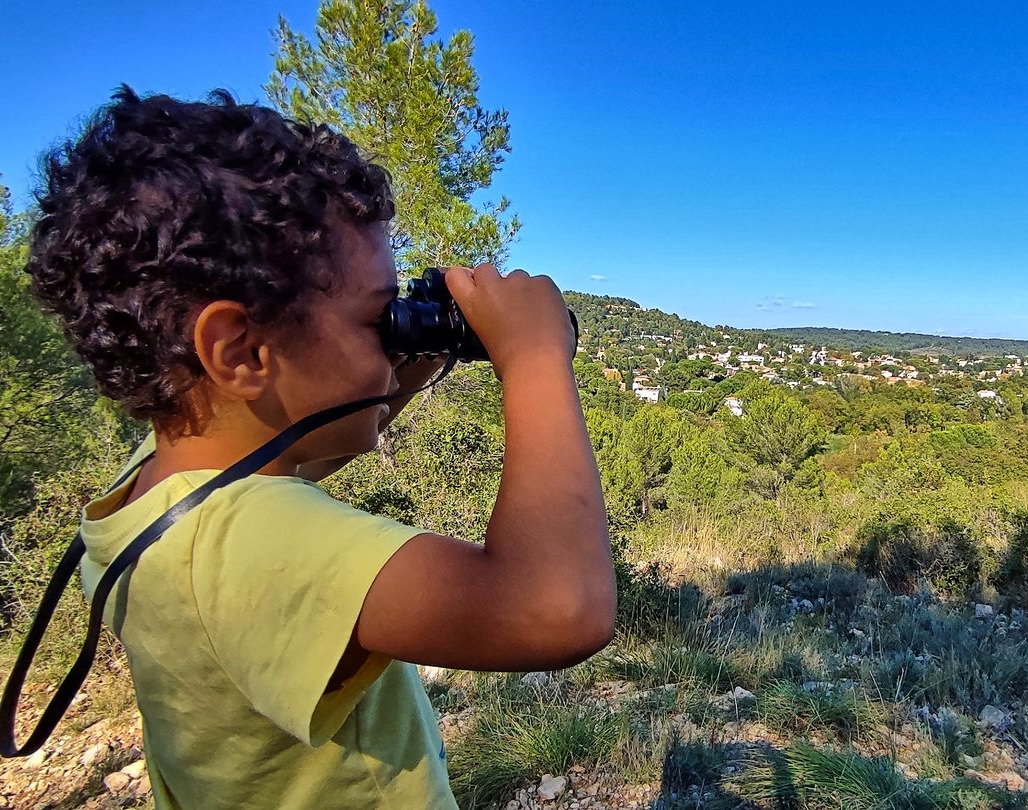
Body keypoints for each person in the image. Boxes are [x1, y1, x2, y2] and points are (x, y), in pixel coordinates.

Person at [24, 86, 615, 808]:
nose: (387, 344)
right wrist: (533, 358)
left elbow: (295, 452)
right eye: (376, 319)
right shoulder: (250, 543)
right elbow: (557, 609)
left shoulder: (157, 487)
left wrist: (410, 360)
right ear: (239, 350)